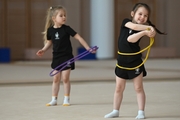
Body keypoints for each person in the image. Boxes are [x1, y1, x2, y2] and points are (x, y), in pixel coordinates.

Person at [104, 3, 166, 119]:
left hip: (135, 62)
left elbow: (131, 39)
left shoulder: (141, 30)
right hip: (122, 61)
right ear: (133, 14)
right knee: (118, 88)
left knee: (138, 88)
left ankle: (141, 112)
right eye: (140, 14)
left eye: (146, 16)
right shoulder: (126, 22)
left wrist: (147, 31)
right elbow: (133, 30)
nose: (142, 17)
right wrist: (148, 28)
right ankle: (115, 110)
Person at [36, 5, 95, 106]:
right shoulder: (50, 31)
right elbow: (49, 42)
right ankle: (54, 99)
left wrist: (87, 48)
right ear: (54, 18)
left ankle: (66, 98)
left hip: (67, 57)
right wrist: (43, 50)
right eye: (61, 15)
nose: (64, 17)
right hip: (56, 57)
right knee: (55, 78)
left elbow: (79, 38)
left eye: (65, 15)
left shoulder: (67, 29)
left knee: (65, 78)